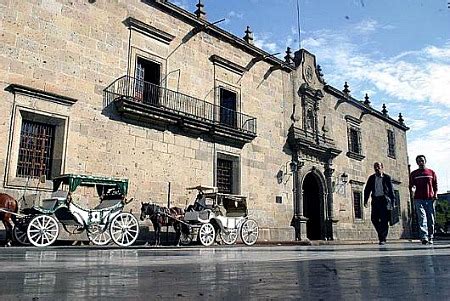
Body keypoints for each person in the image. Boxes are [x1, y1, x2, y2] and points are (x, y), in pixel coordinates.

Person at [364, 162, 396, 245]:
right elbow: (367, 190)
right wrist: (365, 200)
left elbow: (391, 191)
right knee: (374, 219)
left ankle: (382, 239)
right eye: (375, 166)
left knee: (384, 220)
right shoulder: (371, 178)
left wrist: (393, 202)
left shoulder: (387, 177)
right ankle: (381, 234)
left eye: (378, 166)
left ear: (382, 167)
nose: (376, 168)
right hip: (375, 200)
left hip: (384, 200)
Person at [410, 155, 438, 245]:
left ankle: (431, 236)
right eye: (418, 161)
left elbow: (435, 185)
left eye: (422, 160)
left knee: (431, 219)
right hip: (418, 199)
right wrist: (412, 190)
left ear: (425, 161)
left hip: (430, 198)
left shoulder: (431, 172)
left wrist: (435, 194)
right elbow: (411, 185)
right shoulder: (414, 174)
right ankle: (424, 237)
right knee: (422, 218)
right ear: (417, 163)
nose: (420, 162)